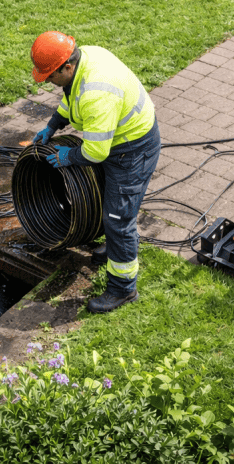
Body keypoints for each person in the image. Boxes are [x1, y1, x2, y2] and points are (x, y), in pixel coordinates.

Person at [30, 31, 161, 314]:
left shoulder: (97, 91)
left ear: (67, 66)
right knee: (106, 202)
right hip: (119, 141)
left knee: (118, 219)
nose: (48, 82)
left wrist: (68, 156)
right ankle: (114, 248)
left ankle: (123, 289)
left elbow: (95, 153)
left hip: (132, 151)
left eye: (50, 76)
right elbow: (70, 97)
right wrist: (53, 125)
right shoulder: (84, 59)